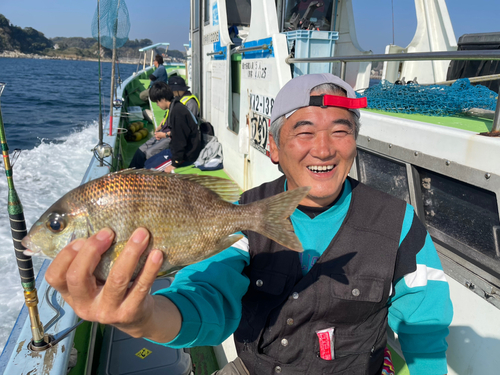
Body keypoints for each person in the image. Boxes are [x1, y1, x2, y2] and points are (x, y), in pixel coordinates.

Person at [45, 74, 453, 375]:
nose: (324, 148)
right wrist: (144, 317)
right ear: (273, 146)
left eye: (340, 131)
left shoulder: (397, 222)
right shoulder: (247, 211)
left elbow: (425, 332)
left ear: (354, 143)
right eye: (304, 131)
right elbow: (205, 293)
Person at [129, 82, 201, 172]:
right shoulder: (175, 106)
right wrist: (165, 135)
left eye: (157, 102)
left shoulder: (177, 112)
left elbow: (181, 140)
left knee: (148, 171)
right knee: (146, 163)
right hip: (174, 150)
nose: (158, 105)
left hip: (185, 156)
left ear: (162, 99)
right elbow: (179, 132)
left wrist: (175, 163)